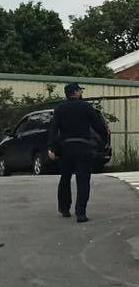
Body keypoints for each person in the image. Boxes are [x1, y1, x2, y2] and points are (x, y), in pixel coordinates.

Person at [47, 82, 109, 223]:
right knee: (83, 180)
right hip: (83, 147)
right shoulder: (86, 107)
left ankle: (64, 208)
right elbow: (98, 125)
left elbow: (54, 129)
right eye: (80, 91)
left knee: (65, 178)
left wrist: (51, 147)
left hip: (66, 148)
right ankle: (80, 212)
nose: (81, 93)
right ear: (75, 92)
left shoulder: (60, 108)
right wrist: (105, 140)